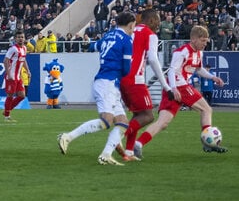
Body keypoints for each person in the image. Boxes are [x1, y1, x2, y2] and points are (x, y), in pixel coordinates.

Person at [57, 11, 137, 165]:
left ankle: (106, 155)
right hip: (108, 83)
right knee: (106, 121)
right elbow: (127, 69)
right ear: (130, 24)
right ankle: (67, 136)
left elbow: (95, 46)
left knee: (122, 122)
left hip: (108, 83)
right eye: (134, 25)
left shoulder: (108, 35)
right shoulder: (127, 40)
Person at [134, 25, 227, 155]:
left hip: (176, 88)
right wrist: (173, 88)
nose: (205, 44)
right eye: (203, 41)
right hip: (179, 86)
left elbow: (198, 69)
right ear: (194, 39)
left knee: (163, 123)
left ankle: (138, 144)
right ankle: (208, 143)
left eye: (206, 41)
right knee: (206, 109)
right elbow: (172, 70)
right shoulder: (182, 52)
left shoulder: (199, 52)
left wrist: (213, 77)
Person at [119, 9, 176, 159]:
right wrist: (166, 86)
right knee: (148, 116)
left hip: (122, 77)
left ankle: (129, 152)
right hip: (135, 79)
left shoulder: (129, 31)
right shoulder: (150, 34)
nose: (159, 23)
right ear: (151, 20)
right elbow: (153, 59)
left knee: (138, 115)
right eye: (157, 20)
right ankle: (116, 138)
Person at [2, 30, 30, 122]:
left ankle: (7, 110)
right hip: (11, 77)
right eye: (18, 37)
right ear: (15, 39)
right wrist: (9, 74)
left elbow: (23, 60)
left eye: (22, 37)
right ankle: (7, 116)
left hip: (18, 77)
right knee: (10, 95)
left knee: (22, 96)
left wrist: (28, 70)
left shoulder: (25, 48)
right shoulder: (13, 49)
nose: (20, 39)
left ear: (24, 38)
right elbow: (5, 61)